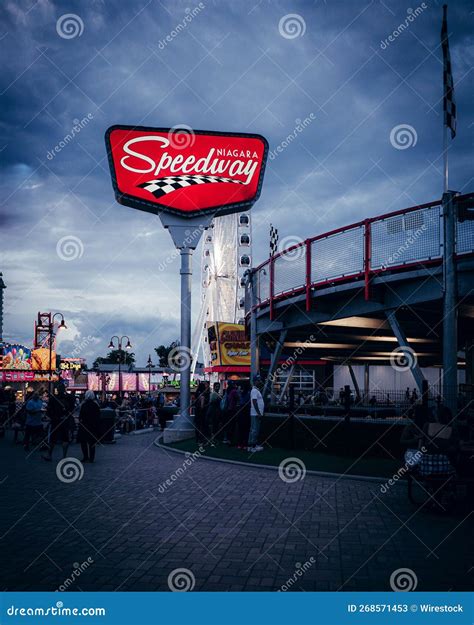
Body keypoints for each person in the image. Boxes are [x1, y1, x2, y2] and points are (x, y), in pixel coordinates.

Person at [43, 385, 74, 461]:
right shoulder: (69, 397)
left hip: (55, 420)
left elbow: (49, 410)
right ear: (64, 389)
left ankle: (49, 455)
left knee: (53, 438)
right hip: (65, 420)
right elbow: (72, 408)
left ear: (57, 390)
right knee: (65, 438)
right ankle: (64, 456)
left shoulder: (53, 398)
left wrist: (52, 417)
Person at [78, 390, 101, 463]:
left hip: (84, 425)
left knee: (83, 442)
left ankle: (85, 456)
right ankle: (91, 458)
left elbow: (80, 416)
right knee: (92, 442)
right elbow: (98, 416)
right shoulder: (96, 405)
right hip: (93, 426)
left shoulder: (83, 405)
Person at [248, 377, 264, 452]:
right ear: (255, 381)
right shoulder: (254, 390)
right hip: (255, 413)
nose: (259, 382)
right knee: (255, 429)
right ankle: (252, 446)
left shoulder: (256, 390)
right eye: (258, 380)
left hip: (255, 413)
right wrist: (258, 413)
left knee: (254, 429)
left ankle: (252, 445)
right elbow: (254, 402)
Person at [236, 381, 251, 449]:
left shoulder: (240, 393)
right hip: (247, 411)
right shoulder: (249, 393)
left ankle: (239, 444)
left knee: (240, 429)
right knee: (246, 429)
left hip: (241, 411)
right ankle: (244, 444)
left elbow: (238, 392)